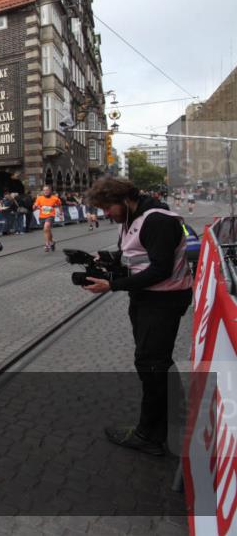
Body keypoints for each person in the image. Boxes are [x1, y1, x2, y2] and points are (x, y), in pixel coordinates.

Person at [81, 177, 194, 456]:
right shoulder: (132, 219)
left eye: (108, 207)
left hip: (163, 300)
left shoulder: (156, 220)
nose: (106, 213)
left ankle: (150, 435)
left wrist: (112, 285)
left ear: (123, 200)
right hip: (147, 299)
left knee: (152, 363)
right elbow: (133, 256)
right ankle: (173, 418)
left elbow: (160, 270)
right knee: (153, 362)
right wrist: (105, 259)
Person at [33, 185, 62, 252]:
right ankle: (52, 242)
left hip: (50, 216)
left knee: (46, 228)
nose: (45, 191)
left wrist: (60, 214)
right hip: (42, 217)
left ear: (50, 191)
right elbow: (34, 207)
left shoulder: (55, 198)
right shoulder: (39, 198)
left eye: (47, 190)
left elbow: (59, 205)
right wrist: (35, 206)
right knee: (47, 230)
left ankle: (47, 244)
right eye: (44, 190)